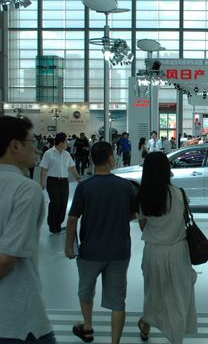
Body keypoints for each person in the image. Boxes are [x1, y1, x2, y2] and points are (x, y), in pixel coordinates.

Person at [64, 141, 137, 344]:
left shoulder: (85, 187)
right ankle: (115, 342)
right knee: (117, 301)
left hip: (90, 251)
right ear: (112, 159)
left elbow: (72, 219)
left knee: (86, 290)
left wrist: (68, 246)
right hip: (119, 251)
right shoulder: (125, 186)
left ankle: (87, 327)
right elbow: (133, 214)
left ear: (91, 160)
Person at [0, 116, 56, 344]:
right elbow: (6, 260)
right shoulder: (25, 189)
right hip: (18, 320)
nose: (36, 148)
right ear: (15, 145)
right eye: (32, 141)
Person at [136, 152, 197, 344]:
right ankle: (175, 338)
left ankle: (146, 324)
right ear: (166, 170)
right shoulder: (180, 195)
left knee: (153, 295)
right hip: (178, 251)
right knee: (178, 298)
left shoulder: (143, 197)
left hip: (153, 251)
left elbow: (143, 225)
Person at [40, 132, 82, 234]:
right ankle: (52, 224)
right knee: (55, 203)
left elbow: (72, 167)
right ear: (61, 142)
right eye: (66, 141)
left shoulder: (67, 154)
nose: (67, 143)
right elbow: (44, 169)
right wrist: (42, 182)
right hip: (53, 181)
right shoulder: (49, 153)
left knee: (63, 204)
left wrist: (78, 177)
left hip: (64, 182)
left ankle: (58, 223)